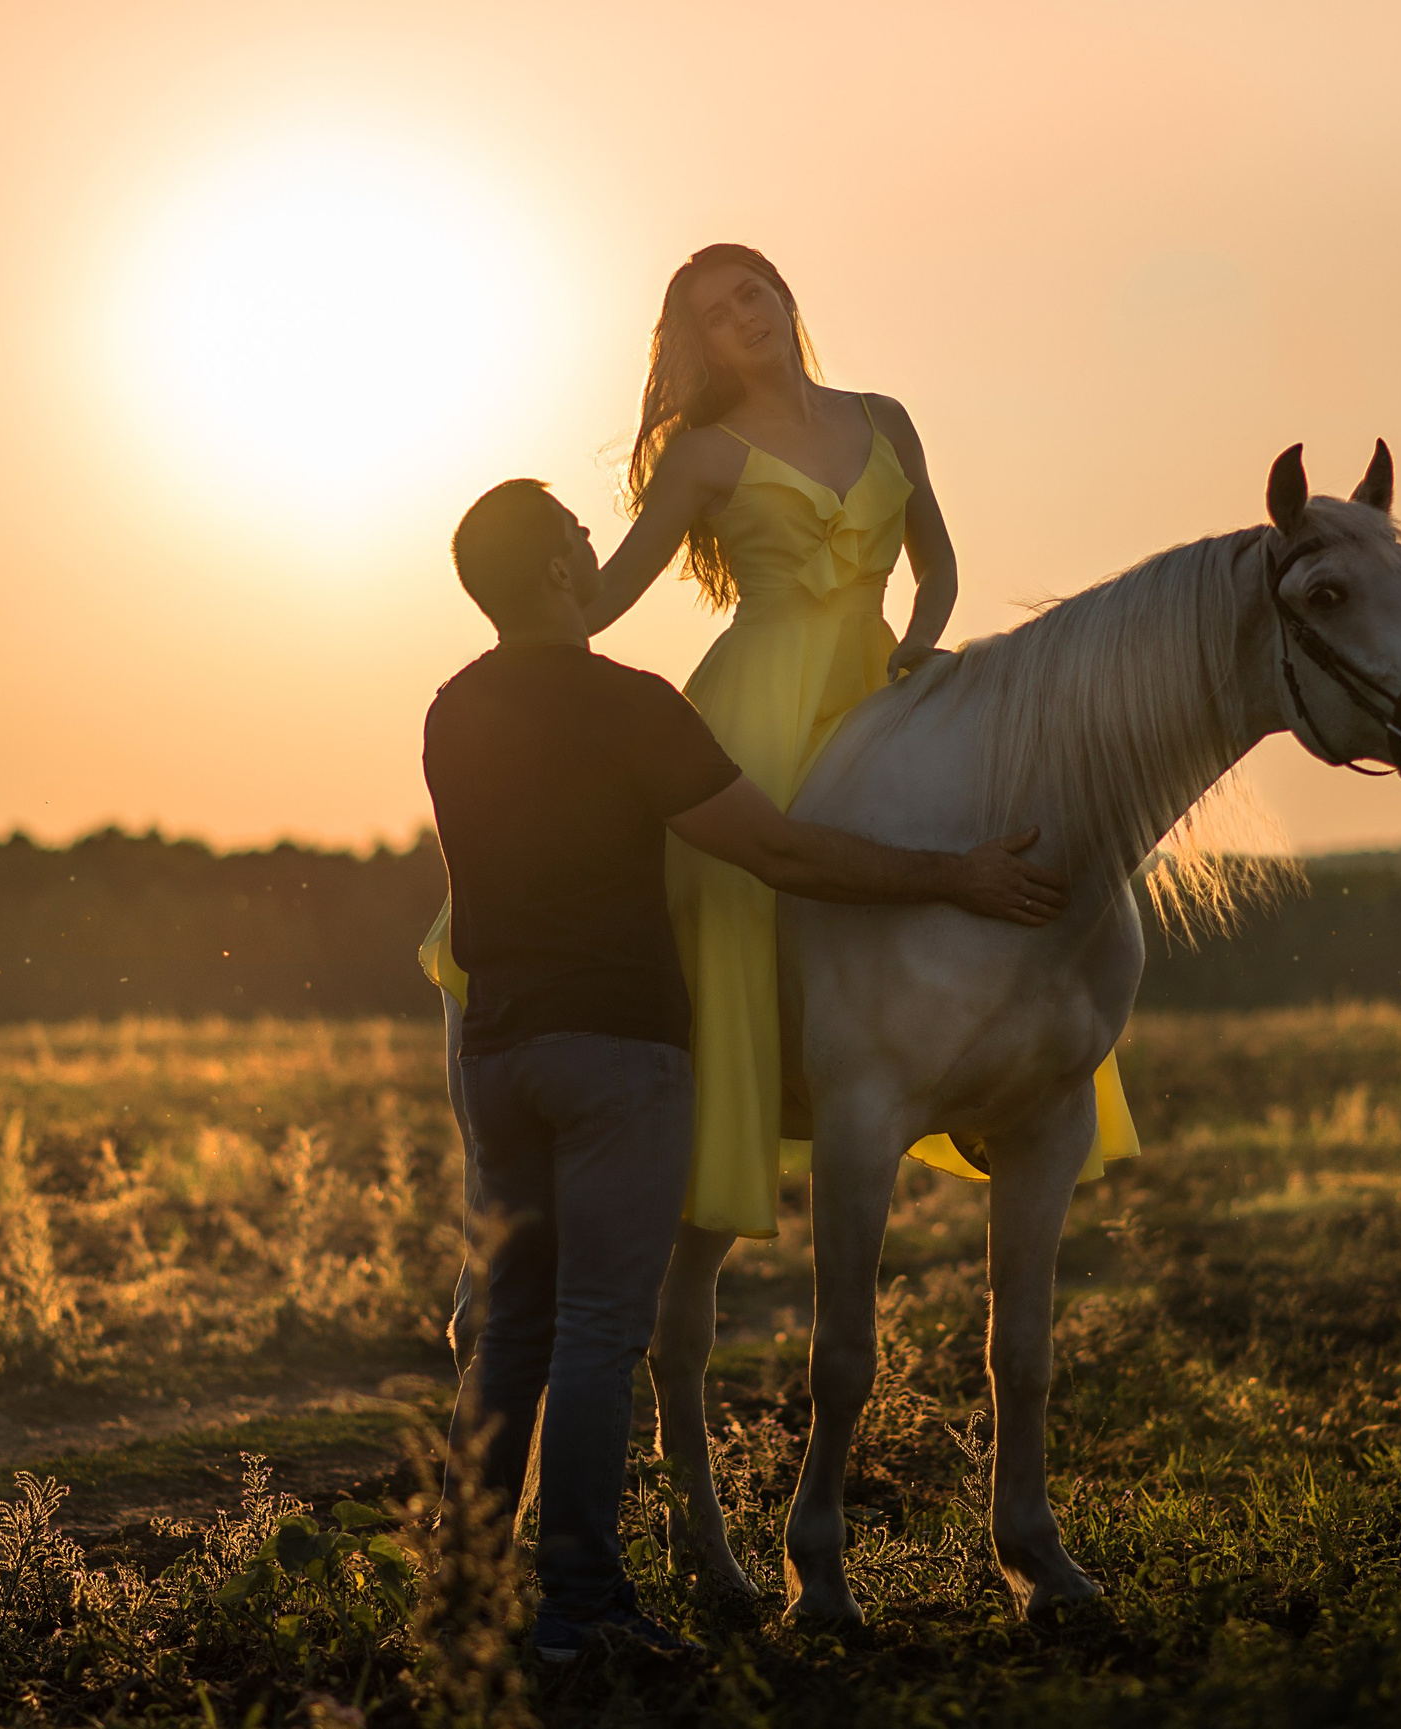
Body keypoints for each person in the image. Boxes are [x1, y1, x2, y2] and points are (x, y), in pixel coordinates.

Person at [425, 478, 1067, 1662]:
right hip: (617, 1052)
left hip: (500, 1052)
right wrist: (950, 876)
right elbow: (773, 847)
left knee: (513, 1324)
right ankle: (578, 1609)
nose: (591, 540)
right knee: (599, 1330)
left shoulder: (451, 710)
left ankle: (467, 1595)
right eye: (577, 531)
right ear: (562, 574)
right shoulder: (632, 708)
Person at [427, 245, 1139, 1254]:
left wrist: (923, 647)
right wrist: (518, 589)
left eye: (749, 292)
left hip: (884, 686)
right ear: (700, 344)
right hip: (759, 692)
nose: (743, 316)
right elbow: (609, 593)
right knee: (723, 882)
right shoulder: (702, 455)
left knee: (1011, 846)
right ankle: (731, 1104)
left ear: (782, 293)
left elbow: (936, 566)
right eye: (716, 314)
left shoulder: (883, 417)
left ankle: (1000, 1081)